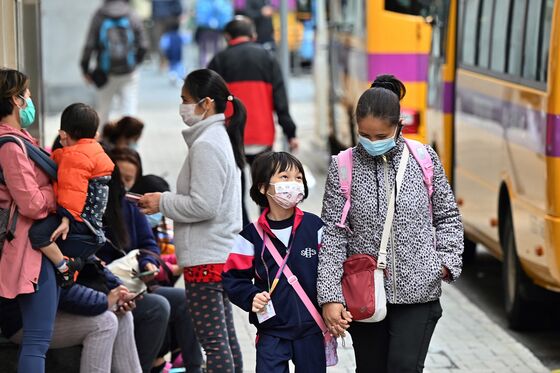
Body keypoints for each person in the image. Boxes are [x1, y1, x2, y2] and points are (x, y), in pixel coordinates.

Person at [318, 75, 464, 373]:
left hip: (418, 292)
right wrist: (330, 296)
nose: (372, 143)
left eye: (380, 135)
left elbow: (447, 215)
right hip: (363, 294)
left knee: (403, 367)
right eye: (365, 135)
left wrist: (444, 264)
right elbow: (333, 235)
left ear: (399, 126)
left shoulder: (424, 158)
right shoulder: (343, 166)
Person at [138, 68, 245, 373]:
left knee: (213, 342)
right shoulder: (217, 137)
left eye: (185, 100)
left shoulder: (207, 145)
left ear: (206, 103)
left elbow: (204, 205)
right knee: (225, 338)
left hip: (206, 259)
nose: (182, 106)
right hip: (218, 255)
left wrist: (162, 201)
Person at [222, 151, 326, 372]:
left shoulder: (315, 227)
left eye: (299, 178)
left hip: (312, 328)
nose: (294, 184)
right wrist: (251, 297)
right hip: (271, 330)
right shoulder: (250, 236)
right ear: (263, 187)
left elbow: (331, 269)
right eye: (284, 177)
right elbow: (233, 278)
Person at [99, 165, 203, 373]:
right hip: (107, 288)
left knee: (185, 299)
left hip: (137, 285)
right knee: (158, 306)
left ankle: (194, 368)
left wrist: (149, 262)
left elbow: (149, 246)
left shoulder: (128, 207)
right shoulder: (84, 207)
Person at [208, 16, 298, 226]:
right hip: (262, 135)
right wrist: (290, 132)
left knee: (235, 188)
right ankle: (269, 228)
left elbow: (210, 101)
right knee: (265, 186)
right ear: (253, 36)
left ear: (227, 37)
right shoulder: (268, 58)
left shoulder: (219, 60)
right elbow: (280, 100)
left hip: (232, 136)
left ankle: (243, 230)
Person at [0, 68, 59, 373]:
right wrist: (54, 194)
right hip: (26, 250)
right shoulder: (9, 146)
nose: (31, 99)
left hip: (34, 246)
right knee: (36, 341)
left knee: (38, 340)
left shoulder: (20, 140)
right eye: (27, 93)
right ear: (15, 99)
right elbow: (32, 205)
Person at [28, 103, 115, 287]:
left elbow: (72, 190)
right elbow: (60, 159)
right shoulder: (93, 151)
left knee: (38, 235)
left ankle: (65, 267)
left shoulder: (75, 157)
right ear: (95, 135)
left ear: (62, 135)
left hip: (77, 219)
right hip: (90, 220)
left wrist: (66, 219)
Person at [0, 269, 143, 373]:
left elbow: (92, 261)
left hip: (56, 306)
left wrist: (119, 289)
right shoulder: (43, 233)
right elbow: (58, 286)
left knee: (122, 314)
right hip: (22, 317)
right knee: (105, 322)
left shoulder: (70, 229)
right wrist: (103, 301)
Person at [80, 0, 149, 125]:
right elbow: (143, 45)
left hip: (105, 72)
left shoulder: (99, 15)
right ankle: (128, 142)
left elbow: (89, 45)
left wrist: (85, 69)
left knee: (103, 111)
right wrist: (134, 62)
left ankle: (104, 143)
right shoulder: (131, 13)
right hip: (129, 72)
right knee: (129, 110)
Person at [195, 0, 234, 67]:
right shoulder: (221, 2)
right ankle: (207, 68)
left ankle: (210, 68)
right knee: (208, 50)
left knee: (214, 50)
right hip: (208, 28)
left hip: (215, 29)